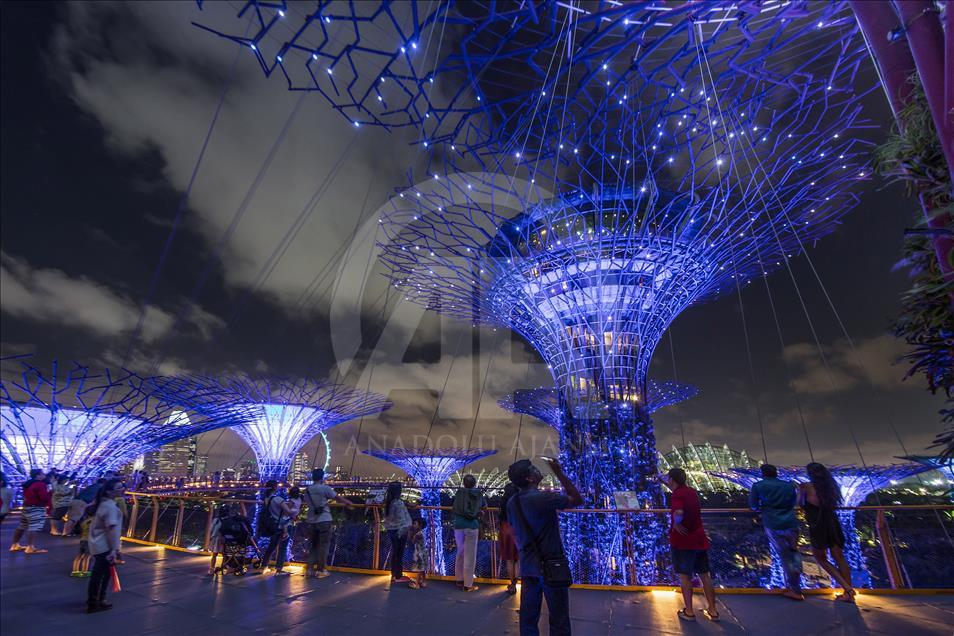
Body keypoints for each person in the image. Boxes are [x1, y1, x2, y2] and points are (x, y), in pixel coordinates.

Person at [507, 458, 582, 636]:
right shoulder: (543, 498)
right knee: (559, 618)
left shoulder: (512, 502)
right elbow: (577, 500)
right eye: (533, 468)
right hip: (551, 566)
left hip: (528, 566)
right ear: (529, 478)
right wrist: (558, 472)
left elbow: (514, 532)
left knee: (528, 618)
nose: (537, 470)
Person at [665, 467, 719, 622]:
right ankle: (713, 610)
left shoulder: (677, 495)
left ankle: (689, 611)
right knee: (705, 575)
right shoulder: (691, 492)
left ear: (672, 480)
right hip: (699, 539)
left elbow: (679, 512)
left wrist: (677, 522)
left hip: (684, 541)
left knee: (685, 577)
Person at [798, 462, 855, 603]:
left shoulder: (806, 486)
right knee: (840, 558)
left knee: (821, 558)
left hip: (818, 526)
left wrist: (800, 492)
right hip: (833, 523)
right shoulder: (832, 487)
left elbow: (799, 503)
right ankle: (848, 594)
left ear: (810, 473)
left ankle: (847, 588)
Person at [750, 464, 803, 600]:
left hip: (772, 523)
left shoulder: (758, 486)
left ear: (763, 474)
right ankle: (797, 584)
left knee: (785, 555)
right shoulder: (789, 485)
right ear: (776, 473)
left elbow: (754, 506)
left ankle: (794, 590)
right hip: (791, 522)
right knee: (794, 552)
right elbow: (793, 503)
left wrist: (763, 507)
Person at [304, 468, 354, 579]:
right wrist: (348, 503)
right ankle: (321, 570)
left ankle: (309, 569)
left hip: (311, 520)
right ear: (322, 477)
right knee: (323, 546)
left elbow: (306, 502)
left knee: (313, 546)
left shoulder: (307, 490)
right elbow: (338, 498)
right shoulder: (324, 488)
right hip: (324, 520)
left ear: (312, 477)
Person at [86, 478, 125, 613]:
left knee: (102, 573)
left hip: (97, 543)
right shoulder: (110, 507)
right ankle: (95, 602)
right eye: (119, 487)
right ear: (109, 491)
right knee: (101, 574)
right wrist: (114, 549)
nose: (122, 489)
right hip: (105, 546)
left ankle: (96, 600)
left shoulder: (102, 503)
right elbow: (112, 529)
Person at [452, 474, 485, 591]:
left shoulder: (459, 492)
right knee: (470, 555)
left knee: (460, 552)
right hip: (471, 526)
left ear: (464, 483)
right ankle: (468, 585)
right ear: (474, 483)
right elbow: (483, 506)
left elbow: (454, 506)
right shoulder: (478, 493)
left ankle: (459, 580)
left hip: (458, 525)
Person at [9, 468, 51, 554]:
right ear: (37, 475)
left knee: (22, 525)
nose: (44, 475)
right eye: (42, 474)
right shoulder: (40, 484)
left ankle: (14, 545)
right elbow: (44, 497)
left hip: (27, 506)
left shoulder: (27, 483)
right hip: (36, 507)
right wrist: (50, 493)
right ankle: (30, 547)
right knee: (34, 527)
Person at [258, 481, 295, 576]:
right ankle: (279, 569)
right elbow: (288, 511)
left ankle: (264, 566)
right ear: (275, 487)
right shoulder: (278, 499)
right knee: (282, 547)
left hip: (273, 525)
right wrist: (293, 511)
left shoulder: (267, 499)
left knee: (271, 546)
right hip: (282, 525)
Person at [382, 481, 413, 584]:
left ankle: (394, 575)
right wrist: (407, 527)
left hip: (391, 530)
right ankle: (398, 576)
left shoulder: (388, 502)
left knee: (395, 553)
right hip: (399, 531)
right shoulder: (398, 503)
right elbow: (402, 519)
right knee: (399, 554)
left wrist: (405, 503)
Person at [498, 482, 520, 595]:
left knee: (510, 560)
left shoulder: (503, 501)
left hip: (506, 529)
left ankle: (512, 585)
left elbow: (500, 517)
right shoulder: (519, 500)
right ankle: (519, 581)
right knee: (518, 559)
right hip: (519, 529)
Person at [408, 516, 428, 590]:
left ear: (420, 525)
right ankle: (423, 581)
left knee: (419, 568)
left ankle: (416, 584)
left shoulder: (418, 534)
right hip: (423, 552)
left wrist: (411, 533)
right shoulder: (422, 533)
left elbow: (412, 541)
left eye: (415, 524)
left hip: (419, 553)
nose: (413, 525)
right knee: (422, 568)